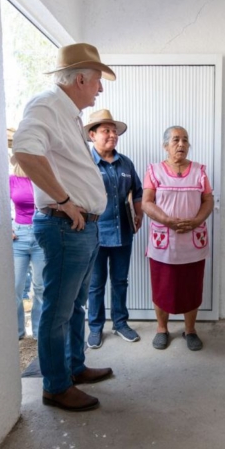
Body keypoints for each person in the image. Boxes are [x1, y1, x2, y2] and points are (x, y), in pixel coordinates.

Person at [12, 43, 116, 412]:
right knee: (57, 310)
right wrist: (63, 200)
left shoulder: (67, 113)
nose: (100, 89)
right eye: (98, 81)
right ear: (82, 78)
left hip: (81, 227)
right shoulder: (46, 104)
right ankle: (55, 386)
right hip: (64, 225)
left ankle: (73, 367)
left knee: (74, 306)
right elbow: (24, 152)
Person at [142, 126, 214, 351]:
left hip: (192, 240)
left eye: (185, 140)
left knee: (191, 286)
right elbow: (146, 202)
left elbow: (208, 200)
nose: (181, 144)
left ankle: (190, 329)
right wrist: (167, 220)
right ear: (166, 146)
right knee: (162, 286)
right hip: (164, 241)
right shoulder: (154, 170)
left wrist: (196, 221)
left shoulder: (200, 171)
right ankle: (162, 329)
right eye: (175, 140)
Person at [84, 109, 144, 349]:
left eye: (114, 131)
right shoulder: (85, 162)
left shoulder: (125, 162)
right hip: (94, 234)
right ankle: (95, 328)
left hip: (123, 233)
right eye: (106, 130)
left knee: (120, 281)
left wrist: (138, 213)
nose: (112, 135)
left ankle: (120, 323)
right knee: (96, 284)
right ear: (92, 135)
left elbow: (137, 191)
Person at [10, 155, 45, 340]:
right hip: (19, 237)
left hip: (40, 235)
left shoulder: (42, 180)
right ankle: (17, 331)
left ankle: (39, 331)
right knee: (16, 287)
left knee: (40, 287)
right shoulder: (11, 180)